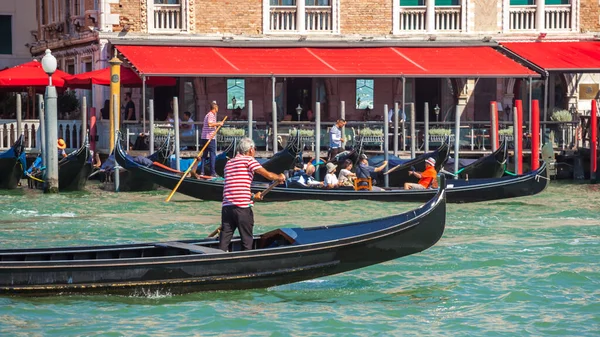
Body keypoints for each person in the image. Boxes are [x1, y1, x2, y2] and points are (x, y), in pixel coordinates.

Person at [219, 137, 286, 252]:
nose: (255, 151)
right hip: (242, 209)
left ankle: (218, 259)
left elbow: (235, 186)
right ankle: (247, 264)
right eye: (254, 149)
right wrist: (279, 177)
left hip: (227, 207)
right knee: (247, 240)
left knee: (224, 241)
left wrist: (252, 196)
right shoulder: (249, 160)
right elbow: (268, 175)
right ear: (250, 150)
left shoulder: (229, 163)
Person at [199, 102, 223, 177]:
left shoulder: (207, 115)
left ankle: (202, 172)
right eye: (217, 107)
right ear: (215, 108)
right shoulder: (211, 115)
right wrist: (219, 124)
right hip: (209, 138)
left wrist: (217, 123)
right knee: (212, 154)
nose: (218, 109)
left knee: (204, 155)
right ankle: (212, 172)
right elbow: (210, 124)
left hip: (204, 137)